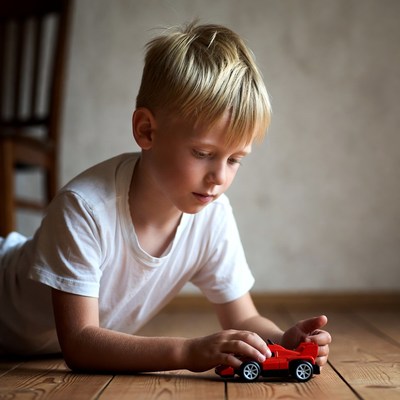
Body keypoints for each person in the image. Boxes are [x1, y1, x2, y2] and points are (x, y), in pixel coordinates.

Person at [0, 22, 331, 372]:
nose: (219, 177)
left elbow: (244, 316)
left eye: (235, 160)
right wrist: (186, 353)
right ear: (146, 130)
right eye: (203, 153)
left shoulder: (212, 216)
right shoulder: (85, 209)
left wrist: (283, 340)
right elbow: (80, 342)